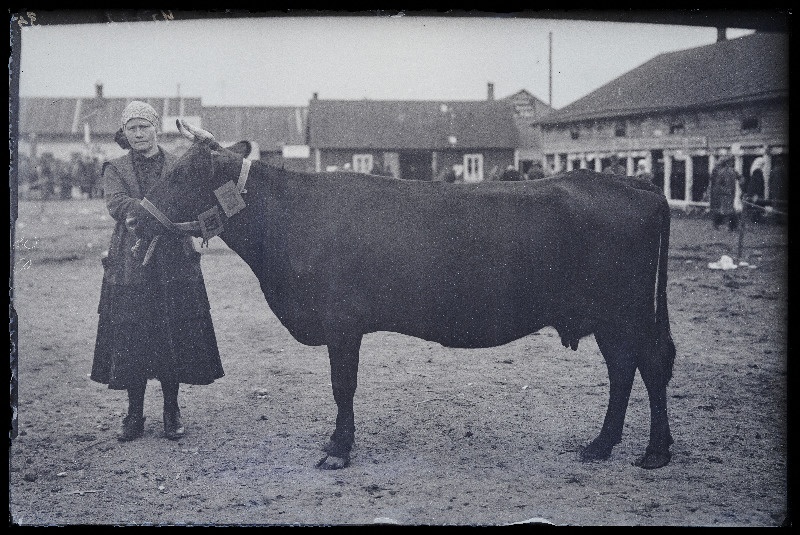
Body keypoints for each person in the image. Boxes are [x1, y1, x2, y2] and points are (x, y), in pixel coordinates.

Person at [91, 101, 224, 442]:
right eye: (132, 128)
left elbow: (195, 197)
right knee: (133, 339)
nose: (139, 134)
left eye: (144, 127)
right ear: (126, 133)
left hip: (174, 262)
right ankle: (134, 414)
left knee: (171, 336)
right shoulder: (116, 168)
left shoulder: (177, 165)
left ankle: (171, 411)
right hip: (131, 262)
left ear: (156, 129)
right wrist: (159, 211)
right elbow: (118, 205)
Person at [709, 155, 741, 231]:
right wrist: (725, 190)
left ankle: (730, 226)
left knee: (727, 210)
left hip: (731, 194)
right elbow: (717, 184)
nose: (732, 163)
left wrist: (741, 179)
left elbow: (740, 177)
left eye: (732, 161)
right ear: (726, 163)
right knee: (726, 210)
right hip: (723, 195)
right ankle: (728, 226)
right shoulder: (721, 172)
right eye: (730, 162)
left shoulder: (732, 171)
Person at [744, 157, 766, 223]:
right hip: (756, 194)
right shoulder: (758, 173)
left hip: (754, 193)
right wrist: (756, 194)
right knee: (756, 207)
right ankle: (756, 220)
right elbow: (757, 185)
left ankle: (755, 219)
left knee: (755, 207)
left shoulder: (756, 172)